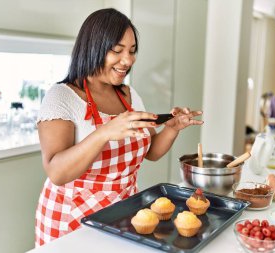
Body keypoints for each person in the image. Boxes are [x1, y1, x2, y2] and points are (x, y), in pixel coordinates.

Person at [34, 8, 203, 247]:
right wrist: (103, 133)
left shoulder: (128, 94)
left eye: (132, 51)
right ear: (93, 47)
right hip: (71, 217)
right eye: (118, 51)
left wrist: (172, 128)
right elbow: (56, 172)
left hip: (122, 210)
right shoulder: (62, 97)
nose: (128, 60)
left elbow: (151, 151)